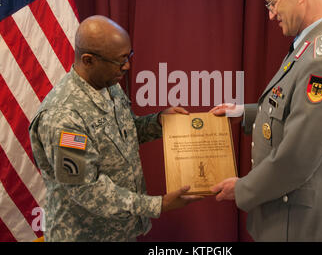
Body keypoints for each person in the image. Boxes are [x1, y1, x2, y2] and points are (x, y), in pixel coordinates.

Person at [210, 0, 322, 241]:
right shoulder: (317, 40)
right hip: (292, 218)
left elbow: (297, 158)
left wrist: (242, 189)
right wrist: (244, 113)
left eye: (272, 3)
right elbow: (294, 110)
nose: (270, 14)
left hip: (299, 227)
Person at [29, 15, 201, 242]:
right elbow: (85, 189)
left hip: (119, 232)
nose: (127, 66)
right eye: (120, 61)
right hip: (84, 235)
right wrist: (158, 204)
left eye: (129, 56)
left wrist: (159, 122)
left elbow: (125, 134)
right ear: (88, 60)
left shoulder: (108, 85)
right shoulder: (64, 118)